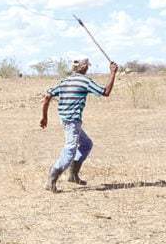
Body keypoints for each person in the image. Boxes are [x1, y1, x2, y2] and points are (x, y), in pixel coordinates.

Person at [39, 55, 118, 192]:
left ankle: (72, 175)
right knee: (70, 150)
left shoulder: (65, 81)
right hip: (72, 121)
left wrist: (44, 117)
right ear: (85, 67)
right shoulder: (84, 81)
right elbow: (105, 92)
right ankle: (51, 178)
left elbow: (47, 97)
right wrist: (112, 73)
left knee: (86, 144)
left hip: (65, 120)